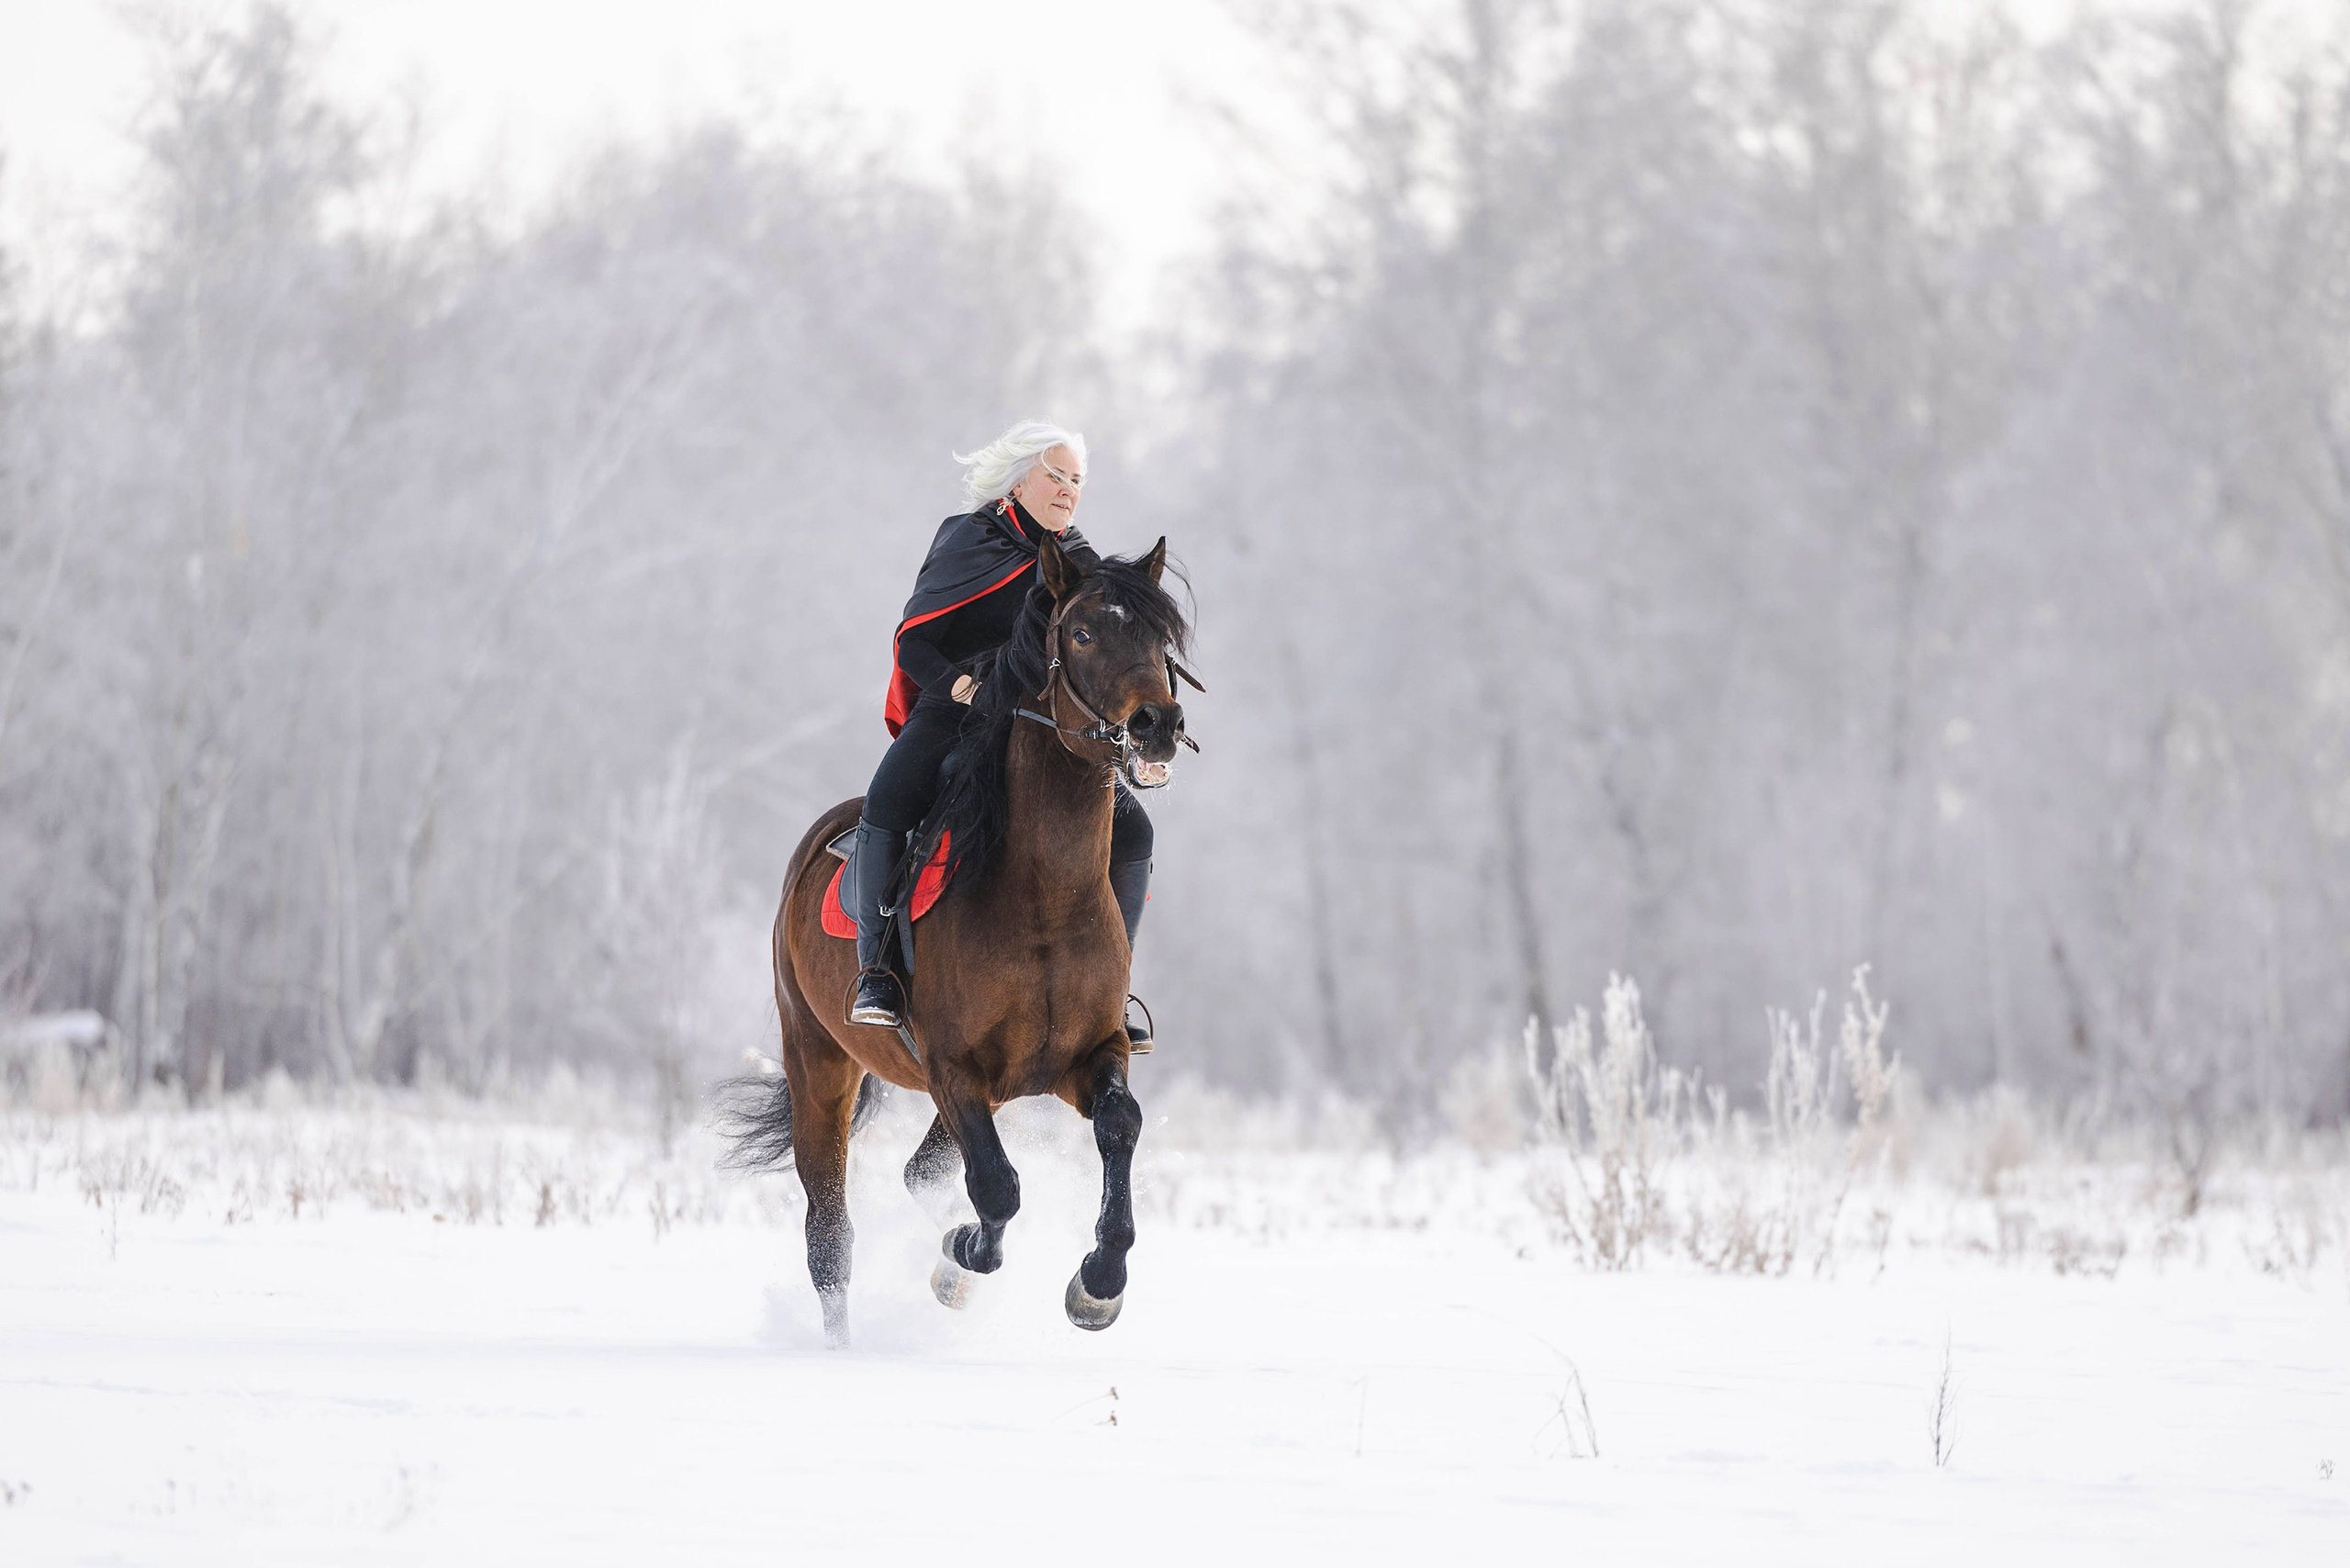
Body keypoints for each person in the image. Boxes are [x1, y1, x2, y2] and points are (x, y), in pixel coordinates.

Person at [845, 419, 1158, 1047]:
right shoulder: (967, 538)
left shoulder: (1078, 558)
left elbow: (1103, 659)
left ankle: (1111, 989)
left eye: (1078, 480)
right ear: (1019, 480)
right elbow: (914, 643)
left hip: (1039, 725)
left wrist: (1134, 741)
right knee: (887, 802)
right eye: (1057, 475)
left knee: (1137, 829)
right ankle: (877, 972)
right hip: (956, 710)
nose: (1069, 490)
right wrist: (956, 685)